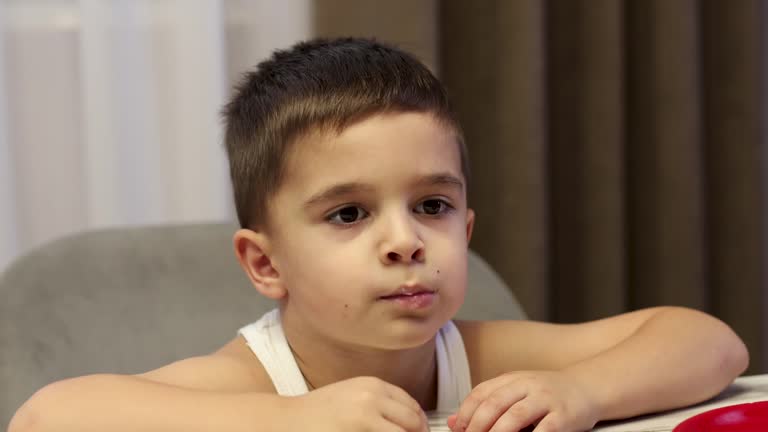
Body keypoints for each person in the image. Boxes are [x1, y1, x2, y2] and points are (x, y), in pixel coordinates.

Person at [10, 37, 748, 432]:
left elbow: (710, 342)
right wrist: (291, 423)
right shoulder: (255, 380)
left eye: (431, 205)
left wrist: (582, 390)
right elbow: (48, 418)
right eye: (349, 214)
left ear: (467, 225)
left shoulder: (474, 356)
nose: (405, 242)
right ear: (265, 264)